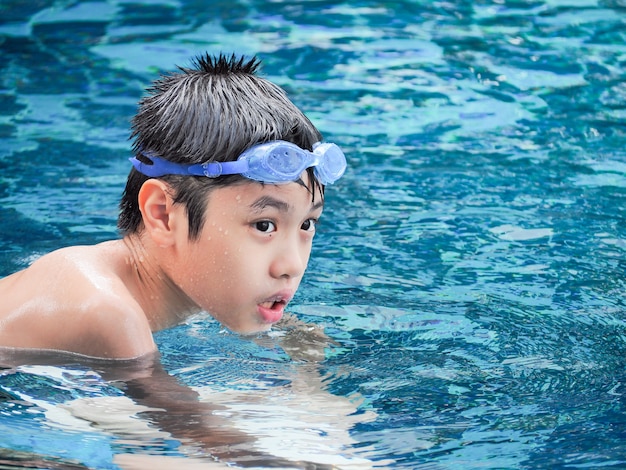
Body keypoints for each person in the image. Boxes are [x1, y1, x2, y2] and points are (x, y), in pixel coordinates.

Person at [0, 53, 346, 360]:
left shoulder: (189, 284)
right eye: (264, 225)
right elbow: (201, 431)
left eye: (306, 225)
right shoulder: (107, 311)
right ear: (163, 214)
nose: (292, 265)